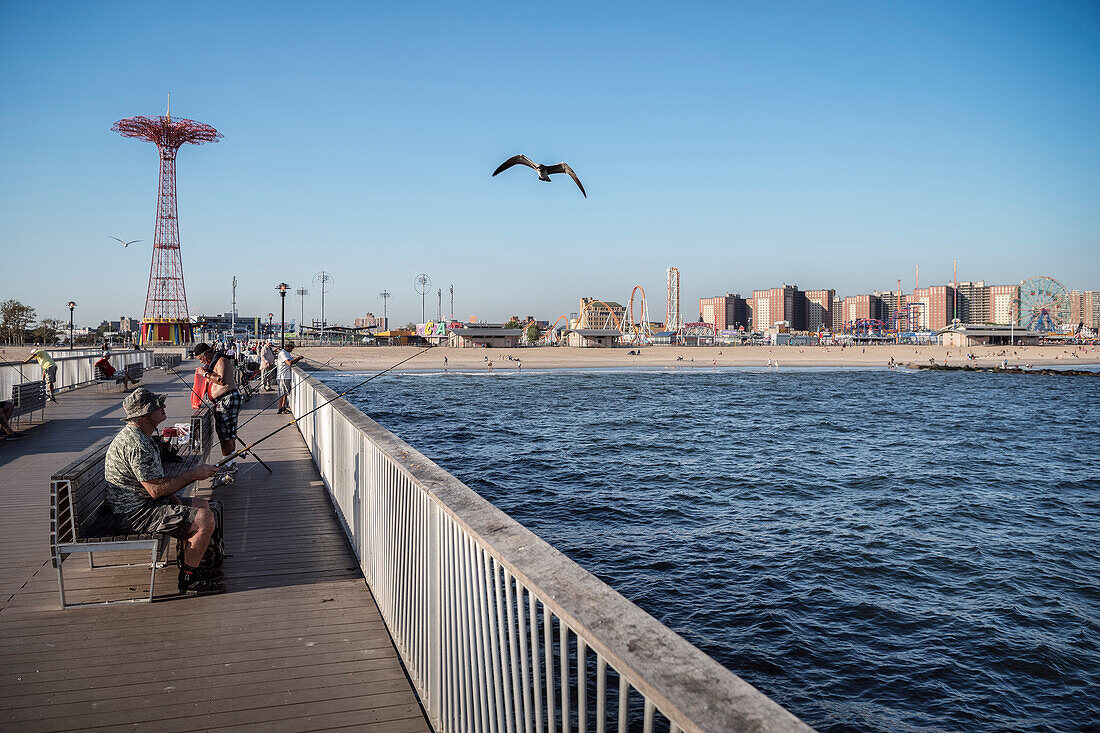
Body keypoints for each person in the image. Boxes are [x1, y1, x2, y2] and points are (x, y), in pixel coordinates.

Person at [104, 387, 222, 594]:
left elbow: (156, 487)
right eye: (158, 405)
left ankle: (196, 565)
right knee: (204, 519)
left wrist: (177, 501)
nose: (163, 407)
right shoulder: (136, 444)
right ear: (145, 414)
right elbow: (156, 491)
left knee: (203, 506)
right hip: (133, 514)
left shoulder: (142, 436)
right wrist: (194, 474)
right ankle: (189, 579)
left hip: (143, 505)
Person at [193, 342, 242, 477]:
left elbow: (222, 381)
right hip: (223, 401)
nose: (202, 361)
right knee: (227, 433)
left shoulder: (221, 360)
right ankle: (230, 462)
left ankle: (228, 465)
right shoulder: (214, 363)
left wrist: (204, 374)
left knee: (225, 434)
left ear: (207, 354)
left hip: (227, 400)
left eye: (201, 358)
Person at [276, 341, 303, 414]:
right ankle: (280, 408)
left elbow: (292, 362)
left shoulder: (287, 353)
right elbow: (289, 363)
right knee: (282, 393)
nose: (293, 349)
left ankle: (283, 407)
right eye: (292, 347)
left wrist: (297, 359)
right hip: (282, 377)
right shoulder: (283, 353)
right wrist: (298, 358)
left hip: (287, 376)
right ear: (287, 347)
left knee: (285, 393)